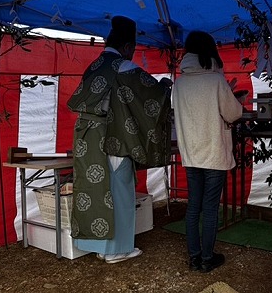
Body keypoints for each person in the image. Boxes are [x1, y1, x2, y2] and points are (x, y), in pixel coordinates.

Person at [67, 16, 172, 263]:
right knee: (119, 190)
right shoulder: (123, 67)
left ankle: (100, 246)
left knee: (94, 189)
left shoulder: (93, 66)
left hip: (86, 137)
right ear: (127, 47)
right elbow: (152, 95)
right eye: (132, 50)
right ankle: (116, 250)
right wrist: (165, 86)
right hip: (111, 136)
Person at [173, 30, 246, 273]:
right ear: (210, 51)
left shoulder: (180, 82)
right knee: (210, 207)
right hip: (213, 152)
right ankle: (207, 258)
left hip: (191, 153)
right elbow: (234, 113)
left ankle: (194, 258)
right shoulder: (216, 80)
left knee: (194, 206)